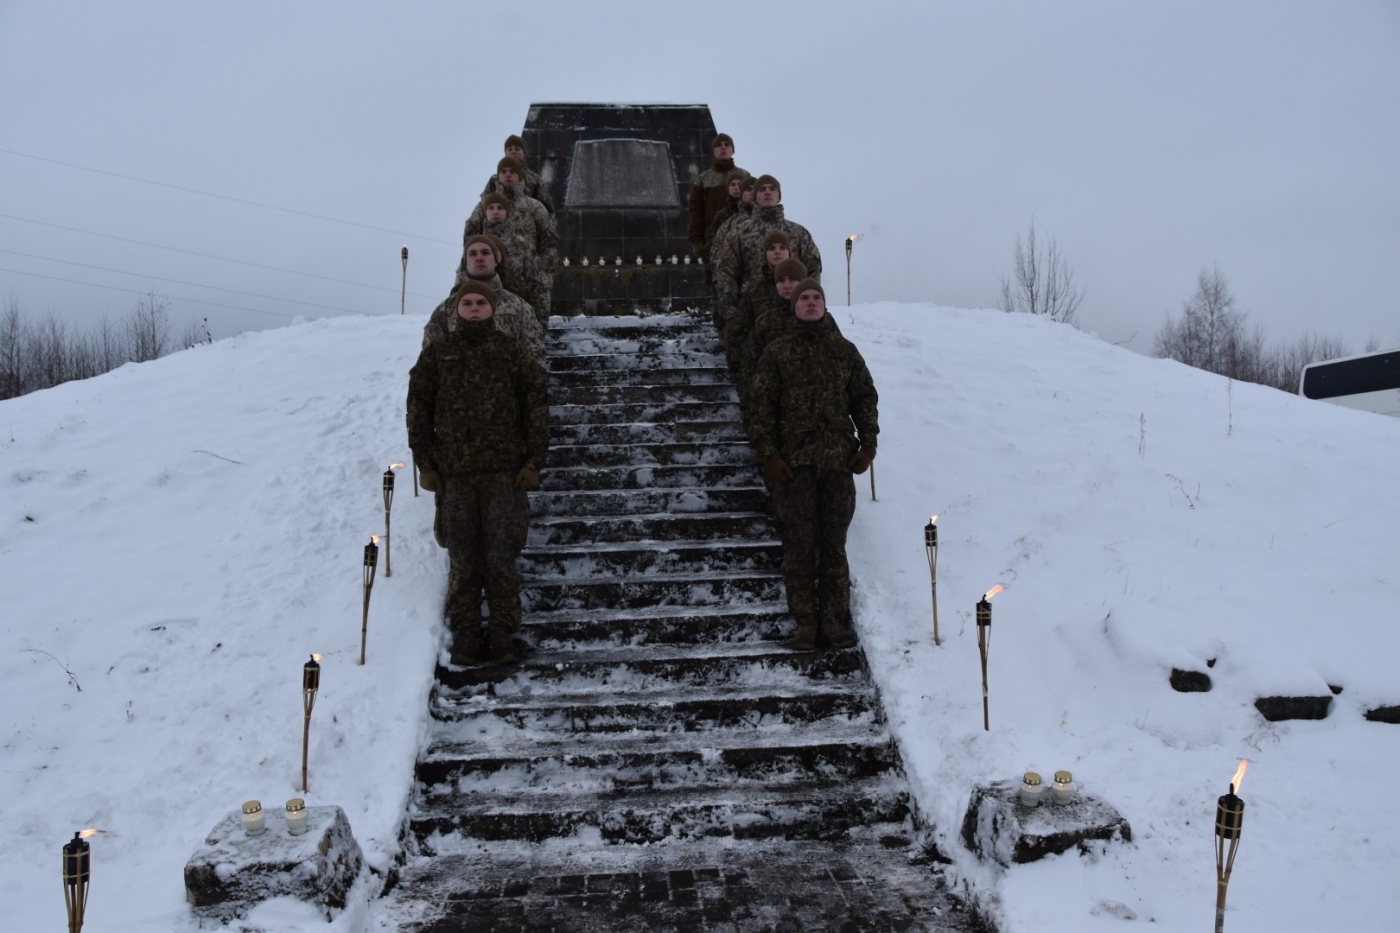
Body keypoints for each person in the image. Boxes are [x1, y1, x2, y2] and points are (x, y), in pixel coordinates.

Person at [407, 280, 549, 666]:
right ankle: (468, 632)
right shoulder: (438, 354)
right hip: (456, 477)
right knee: (464, 557)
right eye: (466, 303)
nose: (473, 308)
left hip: (503, 474)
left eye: (480, 303)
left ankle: (502, 631)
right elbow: (418, 409)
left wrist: (532, 461)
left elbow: (536, 405)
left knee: (501, 556)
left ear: (491, 308)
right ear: (456, 310)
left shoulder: (511, 352)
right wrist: (426, 464)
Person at [749, 279, 877, 652]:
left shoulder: (844, 351)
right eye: (803, 298)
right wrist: (770, 455)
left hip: (838, 464)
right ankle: (805, 623)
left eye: (816, 297)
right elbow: (761, 407)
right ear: (794, 307)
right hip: (795, 466)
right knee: (800, 546)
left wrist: (867, 446)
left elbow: (865, 398)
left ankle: (833, 623)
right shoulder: (776, 353)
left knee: (833, 546)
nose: (809, 302)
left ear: (824, 305)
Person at [712, 174, 821, 328]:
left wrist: (808, 303)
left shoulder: (799, 233)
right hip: (752, 313)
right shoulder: (738, 234)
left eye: (772, 189)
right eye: (762, 189)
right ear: (755, 197)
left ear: (779, 196)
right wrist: (731, 315)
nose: (767, 192)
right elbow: (725, 275)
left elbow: (813, 270)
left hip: (793, 314)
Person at [425, 234, 545, 365]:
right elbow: (429, 364)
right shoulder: (445, 311)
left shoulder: (521, 308)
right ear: (465, 263)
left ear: (496, 260)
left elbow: (535, 360)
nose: (479, 258)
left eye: (485, 253)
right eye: (472, 254)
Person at [465, 164, 558, 326]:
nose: (507, 175)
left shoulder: (533, 209)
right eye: (503, 171)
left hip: (525, 293)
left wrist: (546, 272)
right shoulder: (482, 209)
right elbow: (470, 237)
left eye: (512, 171)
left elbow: (548, 242)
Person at [687, 133, 750, 259]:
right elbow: (695, 212)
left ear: (732, 150)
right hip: (713, 241)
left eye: (727, 145)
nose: (723, 147)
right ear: (713, 150)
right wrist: (696, 240)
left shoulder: (745, 176)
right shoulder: (702, 179)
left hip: (744, 239)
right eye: (719, 145)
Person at [479, 134, 554, 214]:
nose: (513, 152)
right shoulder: (494, 179)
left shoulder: (534, 178)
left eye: (517, 149)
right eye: (510, 149)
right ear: (505, 153)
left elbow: (546, 207)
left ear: (524, 153)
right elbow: (484, 204)